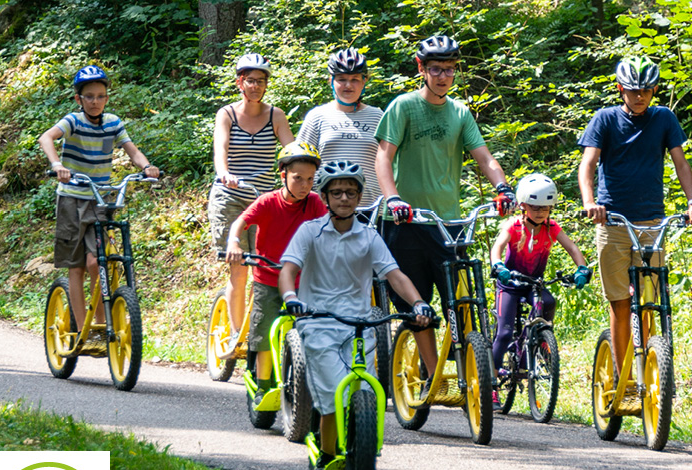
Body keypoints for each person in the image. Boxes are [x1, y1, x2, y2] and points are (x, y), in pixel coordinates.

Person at [374, 34, 516, 397]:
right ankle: (434, 377)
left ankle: (474, 363)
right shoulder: (403, 107)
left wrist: (503, 188)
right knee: (416, 303)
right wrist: (392, 199)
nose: (442, 77)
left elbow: (484, 157)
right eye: (435, 69)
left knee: (462, 297)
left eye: (449, 70)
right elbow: (384, 158)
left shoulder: (460, 113)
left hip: (448, 225)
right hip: (406, 222)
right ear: (421, 69)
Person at [278, 160, 434, 470]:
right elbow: (288, 271)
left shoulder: (369, 236)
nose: (344, 198)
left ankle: (363, 445)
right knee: (335, 394)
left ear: (360, 196)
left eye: (351, 192)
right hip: (317, 322)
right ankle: (327, 454)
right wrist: (291, 298)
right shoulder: (310, 232)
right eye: (336, 193)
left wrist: (418, 302)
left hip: (359, 325)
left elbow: (395, 275)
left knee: (364, 389)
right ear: (325, 197)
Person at [578, 56, 692, 378]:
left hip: (652, 223)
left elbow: (680, 163)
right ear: (621, 89)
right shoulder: (604, 119)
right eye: (633, 90)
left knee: (651, 300)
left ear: (654, 90)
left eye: (646, 90)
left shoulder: (664, 119)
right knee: (621, 303)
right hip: (613, 222)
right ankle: (624, 379)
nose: (639, 96)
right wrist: (591, 202)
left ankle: (652, 366)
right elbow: (588, 164)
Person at [38, 65, 159, 350]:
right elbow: (46, 138)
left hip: (100, 200)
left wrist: (147, 167)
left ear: (107, 98)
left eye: (101, 96)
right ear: (79, 99)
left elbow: (132, 150)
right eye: (89, 96)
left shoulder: (114, 123)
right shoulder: (73, 121)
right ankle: (84, 330)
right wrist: (57, 165)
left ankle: (102, 326)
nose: (95, 101)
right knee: (77, 266)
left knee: (98, 262)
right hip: (71, 198)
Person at [225, 141, 325, 402]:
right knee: (264, 330)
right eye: (298, 178)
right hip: (269, 278)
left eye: (310, 179)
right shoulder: (268, 202)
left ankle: (313, 380)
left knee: (318, 328)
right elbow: (240, 223)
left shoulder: (314, 203)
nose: (305, 185)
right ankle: (263, 385)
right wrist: (234, 242)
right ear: (283, 176)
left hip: (303, 282)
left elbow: (329, 229)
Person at [209, 53, 295, 353]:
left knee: (266, 266)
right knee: (240, 268)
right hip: (230, 196)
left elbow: (291, 150)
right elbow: (221, 149)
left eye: (261, 81)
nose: (255, 86)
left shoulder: (276, 116)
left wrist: (305, 169)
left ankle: (262, 328)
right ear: (239, 83)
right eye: (250, 80)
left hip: (264, 201)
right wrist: (224, 174)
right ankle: (236, 336)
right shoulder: (227, 114)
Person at [489, 174, 591, 396]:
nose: (540, 211)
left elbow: (572, 248)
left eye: (545, 207)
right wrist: (498, 266)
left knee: (548, 301)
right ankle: (490, 383)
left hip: (533, 284)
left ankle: (540, 341)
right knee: (505, 333)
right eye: (535, 207)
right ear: (523, 205)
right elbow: (497, 247)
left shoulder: (551, 227)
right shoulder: (514, 225)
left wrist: (581, 268)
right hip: (509, 284)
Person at [297, 48, 383, 208]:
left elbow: (390, 163)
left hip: (370, 210)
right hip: (323, 208)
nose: (348, 85)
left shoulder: (378, 116)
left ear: (364, 81)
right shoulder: (317, 116)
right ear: (331, 81)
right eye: (341, 79)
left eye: (355, 79)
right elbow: (299, 163)